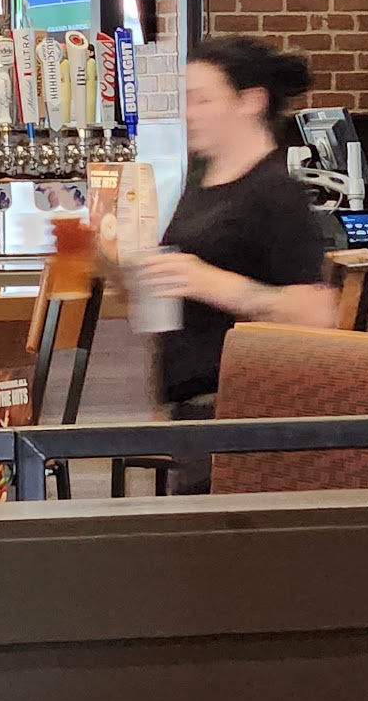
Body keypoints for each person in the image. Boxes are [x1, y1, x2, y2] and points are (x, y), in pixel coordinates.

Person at [133, 37, 332, 488]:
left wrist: (212, 283)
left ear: (251, 101)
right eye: (185, 100)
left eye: (202, 100)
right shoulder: (201, 181)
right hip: (193, 411)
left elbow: (317, 314)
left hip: (241, 417)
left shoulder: (275, 192)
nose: (188, 113)